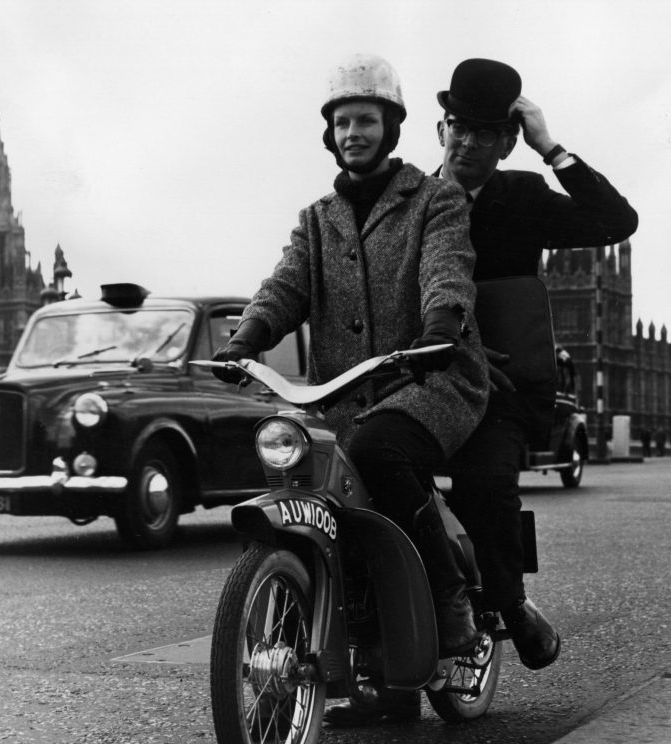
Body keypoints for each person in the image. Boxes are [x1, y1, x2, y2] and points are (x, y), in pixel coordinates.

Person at [211, 53, 489, 679]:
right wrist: (247, 337)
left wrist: (444, 324)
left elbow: (446, 269)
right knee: (317, 475)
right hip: (347, 393)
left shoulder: (435, 200)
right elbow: (285, 286)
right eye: (340, 123)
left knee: (380, 452)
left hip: (431, 379)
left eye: (365, 119)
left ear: (391, 127)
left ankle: (448, 598)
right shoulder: (317, 218)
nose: (352, 134)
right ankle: (348, 634)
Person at [435, 58, 639, 673]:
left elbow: (616, 222)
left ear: (506, 142)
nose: (466, 143)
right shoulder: (412, 200)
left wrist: (550, 147)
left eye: (484, 133)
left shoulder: (520, 196)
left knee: (483, 481)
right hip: (431, 380)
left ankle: (511, 603)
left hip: (504, 387)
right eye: (456, 128)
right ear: (440, 128)